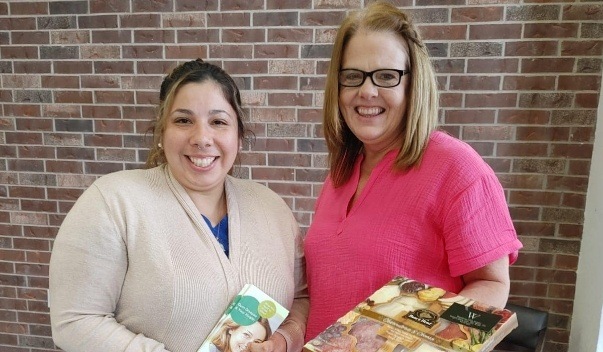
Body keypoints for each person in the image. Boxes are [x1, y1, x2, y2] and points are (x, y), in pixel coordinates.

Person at [49, 59, 308, 352]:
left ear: (239, 136)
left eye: (218, 122)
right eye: (183, 120)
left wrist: (284, 340)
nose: (201, 138)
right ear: (162, 133)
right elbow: (75, 322)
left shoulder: (272, 208)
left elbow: (301, 298)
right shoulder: (113, 202)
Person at [303, 1, 523, 340]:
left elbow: (492, 285)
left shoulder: (457, 169)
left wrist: (408, 337)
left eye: (387, 76)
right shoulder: (340, 173)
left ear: (413, 84)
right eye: (352, 76)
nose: (367, 91)